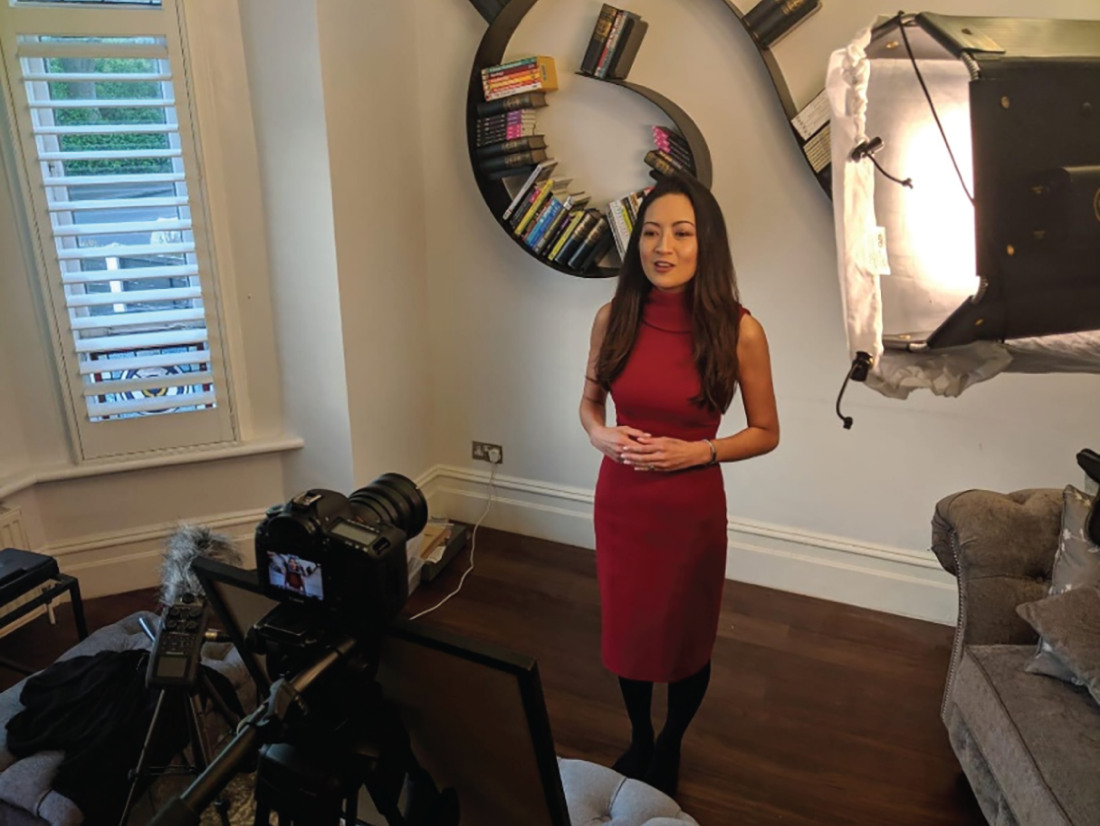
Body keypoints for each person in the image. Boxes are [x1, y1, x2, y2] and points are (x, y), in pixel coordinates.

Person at [578, 172, 780, 798]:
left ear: (706, 244)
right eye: (652, 232)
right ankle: (640, 736)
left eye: (682, 233)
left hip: (689, 512)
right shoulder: (612, 317)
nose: (663, 247)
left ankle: (671, 743)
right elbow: (588, 407)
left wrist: (701, 450)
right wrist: (600, 435)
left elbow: (766, 431)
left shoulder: (739, 330)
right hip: (621, 505)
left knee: (686, 638)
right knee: (630, 633)